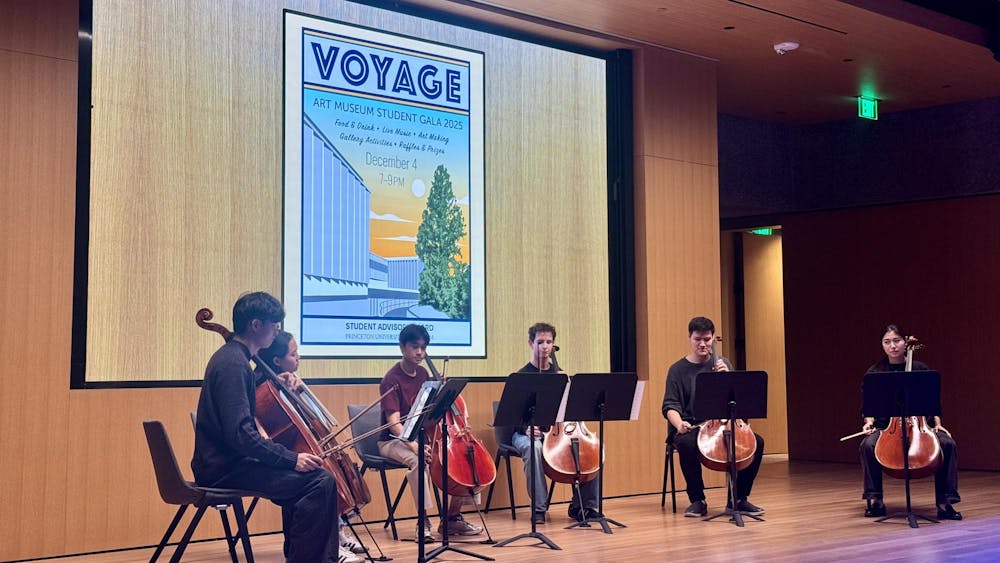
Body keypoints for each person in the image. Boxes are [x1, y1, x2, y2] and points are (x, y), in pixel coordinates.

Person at [191, 291, 339, 563]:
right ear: (256, 325)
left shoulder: (234, 359)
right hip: (224, 470)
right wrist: (291, 459)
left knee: (313, 480)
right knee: (319, 481)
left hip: (227, 464)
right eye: (274, 324)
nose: (277, 331)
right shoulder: (233, 365)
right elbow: (241, 435)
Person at [257, 331, 364, 563]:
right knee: (320, 478)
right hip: (277, 458)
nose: (299, 357)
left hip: (292, 452)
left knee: (324, 474)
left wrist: (300, 390)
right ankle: (328, 543)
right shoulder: (262, 388)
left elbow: (310, 419)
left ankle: (336, 534)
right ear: (276, 361)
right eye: (293, 353)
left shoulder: (282, 381)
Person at [377, 324, 483, 539]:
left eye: (423, 348)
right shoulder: (391, 379)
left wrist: (441, 392)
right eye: (414, 347)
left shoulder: (424, 373)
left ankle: (452, 518)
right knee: (419, 461)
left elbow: (430, 415)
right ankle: (422, 520)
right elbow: (394, 424)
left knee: (465, 457)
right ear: (402, 347)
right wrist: (414, 446)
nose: (420, 352)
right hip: (392, 440)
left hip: (421, 437)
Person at [661, 316, 765, 518]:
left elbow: (736, 401)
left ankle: (738, 499)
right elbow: (670, 405)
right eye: (697, 339)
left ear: (713, 339)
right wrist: (679, 423)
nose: (702, 344)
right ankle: (697, 500)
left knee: (757, 443)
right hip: (692, 425)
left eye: (707, 339)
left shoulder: (723, 363)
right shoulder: (677, 370)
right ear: (690, 338)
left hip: (723, 424)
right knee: (686, 444)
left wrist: (727, 378)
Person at [858, 323, 961, 520]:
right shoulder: (875, 372)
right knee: (867, 445)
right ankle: (875, 499)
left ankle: (945, 502)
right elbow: (868, 405)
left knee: (947, 444)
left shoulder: (920, 369)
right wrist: (868, 422)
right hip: (886, 427)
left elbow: (933, 402)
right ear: (882, 344)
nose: (892, 346)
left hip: (920, 426)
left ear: (905, 342)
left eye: (897, 341)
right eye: (887, 342)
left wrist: (937, 423)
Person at [511, 322, 601, 525]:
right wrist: (525, 428)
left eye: (548, 342)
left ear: (553, 345)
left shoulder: (560, 375)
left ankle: (583, 506)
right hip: (526, 432)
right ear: (530, 343)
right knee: (532, 447)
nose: (545, 346)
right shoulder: (521, 376)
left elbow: (571, 410)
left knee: (591, 448)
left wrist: (567, 386)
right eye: (540, 342)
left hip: (557, 432)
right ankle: (539, 509)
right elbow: (512, 414)